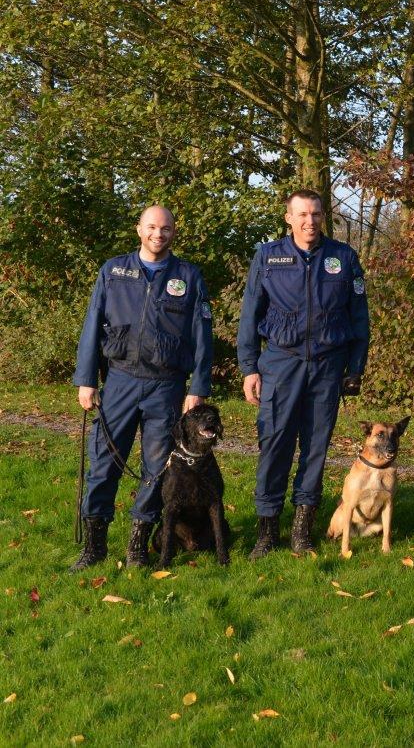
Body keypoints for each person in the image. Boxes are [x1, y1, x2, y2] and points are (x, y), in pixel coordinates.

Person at [70, 206, 213, 570]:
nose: (157, 234)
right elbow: (92, 324)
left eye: (165, 228)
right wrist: (86, 379)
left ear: (173, 232)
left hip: (166, 386)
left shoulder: (188, 276)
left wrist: (197, 387)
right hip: (119, 381)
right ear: (139, 229)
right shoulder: (114, 271)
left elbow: (202, 336)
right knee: (103, 464)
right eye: (151, 227)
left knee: (157, 468)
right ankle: (94, 547)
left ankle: (137, 545)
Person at [237, 190, 369, 558]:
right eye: (302, 214)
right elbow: (250, 313)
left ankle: (301, 530)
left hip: (327, 366)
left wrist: (355, 367)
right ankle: (267, 531)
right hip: (281, 363)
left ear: (323, 216)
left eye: (315, 214)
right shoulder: (268, 257)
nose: (309, 221)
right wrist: (249, 367)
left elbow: (359, 317)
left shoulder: (344, 257)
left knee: (315, 448)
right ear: (289, 218)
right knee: (274, 445)